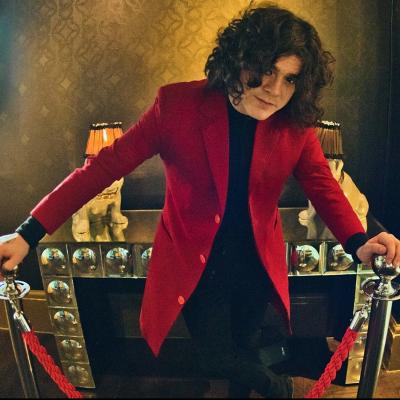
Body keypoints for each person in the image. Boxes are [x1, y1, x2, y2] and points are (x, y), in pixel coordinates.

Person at [1, 3, 400, 398]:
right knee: (215, 357)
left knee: (245, 346)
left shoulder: (294, 123)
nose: (275, 90)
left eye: (290, 79)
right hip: (197, 262)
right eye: (265, 70)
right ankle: (278, 388)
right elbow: (101, 169)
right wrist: (28, 234)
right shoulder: (175, 105)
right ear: (238, 59)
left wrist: (360, 240)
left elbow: (323, 186)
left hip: (256, 259)